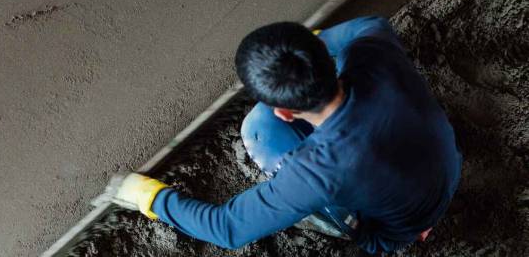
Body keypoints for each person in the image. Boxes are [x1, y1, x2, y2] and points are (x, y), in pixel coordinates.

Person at [110, 16, 462, 253]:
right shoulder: (373, 40)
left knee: (259, 131)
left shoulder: (317, 172)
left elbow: (228, 228)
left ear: (286, 111)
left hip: (394, 229)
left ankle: (398, 229)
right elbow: (343, 33)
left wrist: (149, 197)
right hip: (445, 166)